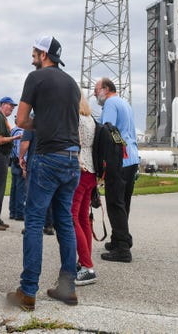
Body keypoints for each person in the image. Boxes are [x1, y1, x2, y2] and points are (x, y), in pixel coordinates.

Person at [7, 35, 81, 310]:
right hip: (72, 159)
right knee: (65, 222)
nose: (33, 57)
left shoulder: (35, 78)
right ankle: (68, 287)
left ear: (42, 54)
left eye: (35, 52)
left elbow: (22, 120)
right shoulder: (72, 83)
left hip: (48, 157)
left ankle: (28, 292)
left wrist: (41, 123)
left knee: (35, 222)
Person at [94, 77, 139, 263]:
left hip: (119, 159)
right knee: (123, 203)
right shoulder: (124, 103)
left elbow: (108, 131)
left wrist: (101, 158)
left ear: (105, 89)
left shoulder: (111, 103)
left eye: (96, 90)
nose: (95, 94)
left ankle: (122, 249)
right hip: (132, 157)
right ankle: (120, 239)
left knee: (114, 203)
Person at [72, 92, 98, 285]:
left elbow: (77, 143)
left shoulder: (76, 118)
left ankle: (87, 265)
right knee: (83, 218)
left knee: (72, 217)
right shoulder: (90, 118)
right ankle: (85, 261)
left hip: (81, 167)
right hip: (92, 170)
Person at [0, 96, 21, 231]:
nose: (12, 108)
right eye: (10, 105)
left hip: (2, 156)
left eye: (13, 106)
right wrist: (15, 137)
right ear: (2, 105)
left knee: (0, 189)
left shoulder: (3, 118)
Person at [9, 118, 25, 221]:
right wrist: (23, 163)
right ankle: (19, 213)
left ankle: (13, 211)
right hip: (19, 162)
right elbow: (20, 150)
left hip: (13, 161)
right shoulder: (21, 133)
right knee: (21, 188)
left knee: (14, 187)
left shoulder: (13, 131)